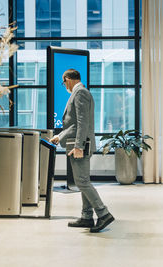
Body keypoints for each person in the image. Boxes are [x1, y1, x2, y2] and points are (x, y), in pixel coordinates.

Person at [50, 69, 114, 233]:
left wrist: (78, 146)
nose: (64, 85)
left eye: (63, 82)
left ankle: (103, 213)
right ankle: (87, 217)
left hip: (80, 145)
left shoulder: (80, 93)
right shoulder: (80, 92)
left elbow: (82, 122)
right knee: (83, 180)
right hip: (78, 142)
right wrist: (60, 135)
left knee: (82, 182)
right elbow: (75, 125)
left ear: (67, 79)